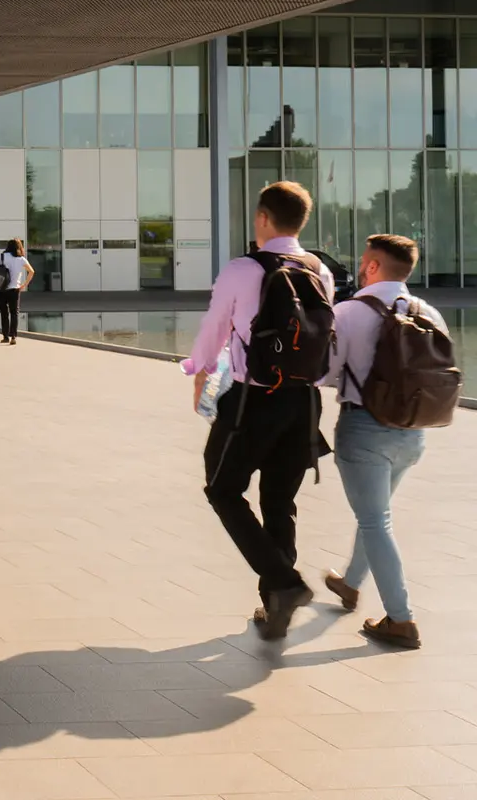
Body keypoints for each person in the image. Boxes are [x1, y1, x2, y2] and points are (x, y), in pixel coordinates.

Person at [187, 181, 334, 641]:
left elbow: (216, 326)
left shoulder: (243, 268)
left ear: (264, 218)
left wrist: (198, 370)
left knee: (223, 489)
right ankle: (276, 609)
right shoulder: (319, 270)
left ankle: (286, 585)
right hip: (305, 401)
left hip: (253, 399)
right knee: (279, 501)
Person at [320, 234, 442, 650]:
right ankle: (350, 584)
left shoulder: (350, 311)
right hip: (413, 434)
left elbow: (324, 372)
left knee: (375, 521)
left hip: (364, 430)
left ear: (372, 266)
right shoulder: (429, 312)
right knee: (375, 515)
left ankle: (400, 618)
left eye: (361, 261)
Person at [0, 238, 34, 344]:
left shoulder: (1, 256)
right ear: (19, 247)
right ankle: (13, 337)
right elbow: (31, 271)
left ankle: (5, 336)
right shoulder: (21, 259)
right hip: (15, 289)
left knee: (4, 313)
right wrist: (24, 284)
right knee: (14, 313)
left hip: (2, 289)